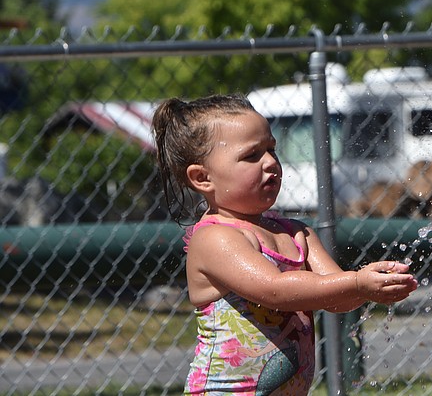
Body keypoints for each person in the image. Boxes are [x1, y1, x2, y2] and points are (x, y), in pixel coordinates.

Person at [153, 94, 418, 395]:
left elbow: (336, 297)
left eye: (271, 149)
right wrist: (357, 281)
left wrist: (370, 287)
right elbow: (276, 290)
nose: (271, 162)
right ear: (202, 178)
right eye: (252, 155)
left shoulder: (297, 234)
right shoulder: (216, 238)